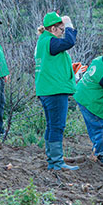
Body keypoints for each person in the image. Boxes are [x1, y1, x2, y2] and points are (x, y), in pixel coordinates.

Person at [35, 12, 78, 171]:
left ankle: (53, 161)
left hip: (47, 89)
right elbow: (69, 42)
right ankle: (57, 162)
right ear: (52, 28)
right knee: (57, 126)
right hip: (54, 91)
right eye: (61, 29)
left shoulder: (43, 41)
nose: (63, 32)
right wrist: (69, 24)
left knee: (52, 125)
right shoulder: (50, 42)